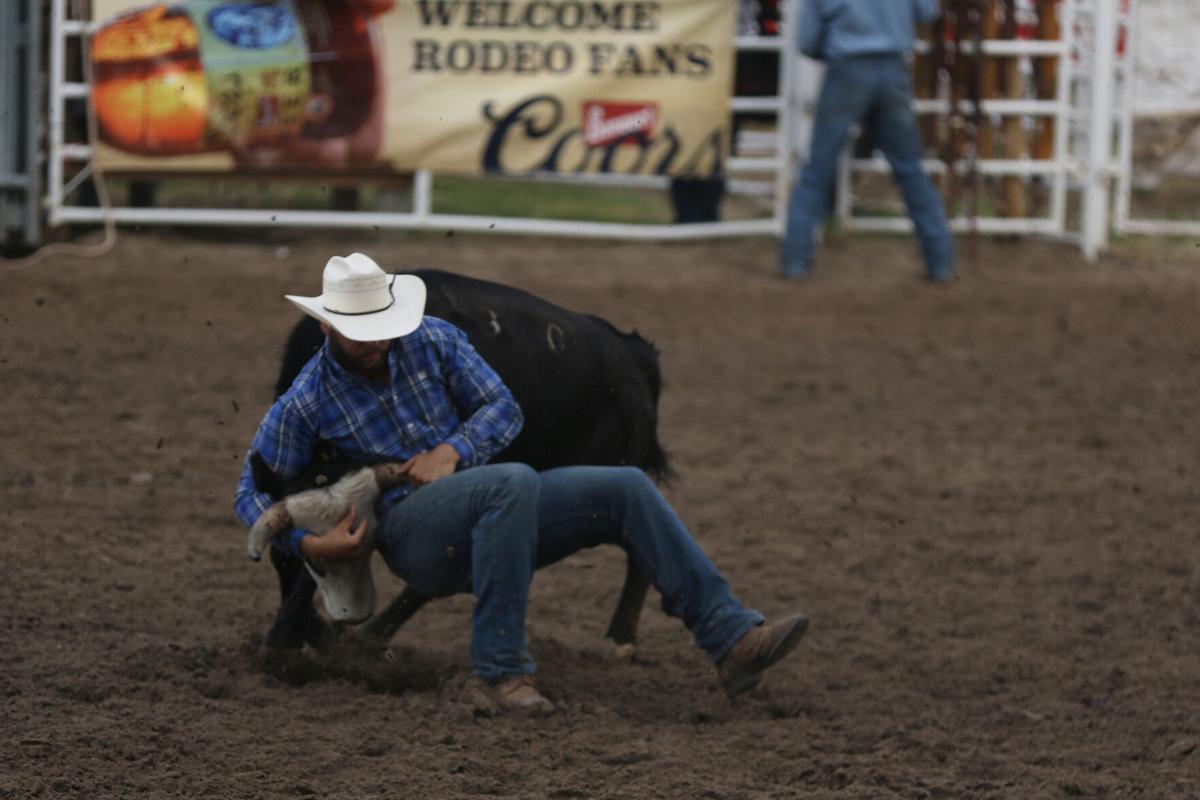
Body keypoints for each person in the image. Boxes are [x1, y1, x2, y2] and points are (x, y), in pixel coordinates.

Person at [234, 253, 809, 713]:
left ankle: (731, 639)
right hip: (413, 534)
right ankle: (500, 671)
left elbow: (503, 408)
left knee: (628, 487)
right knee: (509, 481)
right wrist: (310, 544)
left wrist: (452, 450)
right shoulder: (306, 401)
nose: (378, 342)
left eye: (382, 327)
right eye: (362, 332)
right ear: (327, 325)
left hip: (492, 510)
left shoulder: (432, 338)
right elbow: (251, 493)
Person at [780, 0, 955, 282]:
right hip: (894, 68)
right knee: (910, 169)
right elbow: (928, 11)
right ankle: (940, 261)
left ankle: (795, 260)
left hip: (846, 68)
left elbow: (807, 39)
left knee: (817, 168)